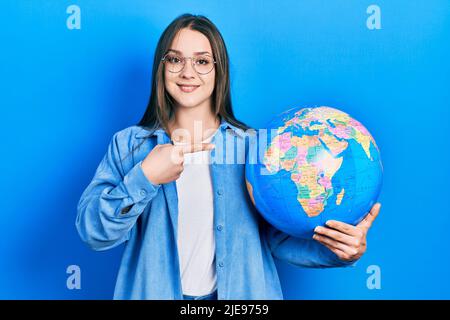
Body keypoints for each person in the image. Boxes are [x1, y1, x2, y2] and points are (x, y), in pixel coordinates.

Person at [76, 13, 381, 300]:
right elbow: (93, 233)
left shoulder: (256, 148)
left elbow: (277, 238)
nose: (187, 72)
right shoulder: (130, 145)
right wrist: (145, 177)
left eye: (202, 61)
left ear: (219, 70)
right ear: (161, 67)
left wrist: (339, 251)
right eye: (175, 59)